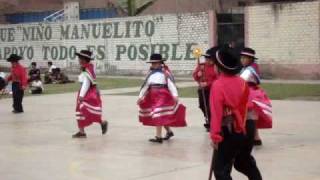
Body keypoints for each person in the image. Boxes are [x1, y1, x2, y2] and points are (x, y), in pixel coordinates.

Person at [209, 47, 262, 180]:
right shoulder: (242, 82)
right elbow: (246, 105)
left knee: (221, 170)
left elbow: (216, 114)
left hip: (229, 130)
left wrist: (215, 136)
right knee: (243, 162)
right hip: (247, 126)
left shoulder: (218, 85)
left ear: (219, 67)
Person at [137, 54, 187, 143]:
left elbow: (171, 84)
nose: (153, 65)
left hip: (163, 96)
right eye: (152, 63)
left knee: (157, 114)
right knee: (160, 115)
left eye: (155, 63)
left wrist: (175, 95)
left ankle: (158, 137)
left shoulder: (165, 73)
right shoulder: (150, 74)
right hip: (152, 97)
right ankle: (169, 131)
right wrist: (140, 97)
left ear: (160, 63)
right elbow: (145, 86)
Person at [240, 47, 272, 146]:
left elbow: (241, 80)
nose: (242, 60)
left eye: (244, 58)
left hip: (250, 94)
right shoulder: (250, 67)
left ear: (250, 59)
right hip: (252, 92)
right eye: (241, 58)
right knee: (252, 116)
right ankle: (256, 137)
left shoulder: (250, 69)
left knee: (249, 116)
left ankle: (251, 137)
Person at [72, 50, 108, 138]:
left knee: (84, 110)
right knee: (84, 110)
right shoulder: (88, 67)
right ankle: (82, 131)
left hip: (87, 93)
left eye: (80, 58)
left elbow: (86, 83)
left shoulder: (87, 69)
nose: (79, 59)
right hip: (88, 92)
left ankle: (100, 123)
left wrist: (81, 96)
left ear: (84, 59)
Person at [192, 47, 218, 131]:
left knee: (210, 107)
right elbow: (195, 76)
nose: (208, 61)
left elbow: (218, 79)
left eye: (210, 59)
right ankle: (208, 118)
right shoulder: (201, 65)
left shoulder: (216, 67)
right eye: (207, 58)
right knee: (202, 106)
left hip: (212, 90)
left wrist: (207, 83)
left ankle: (210, 122)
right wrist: (198, 75)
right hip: (202, 90)